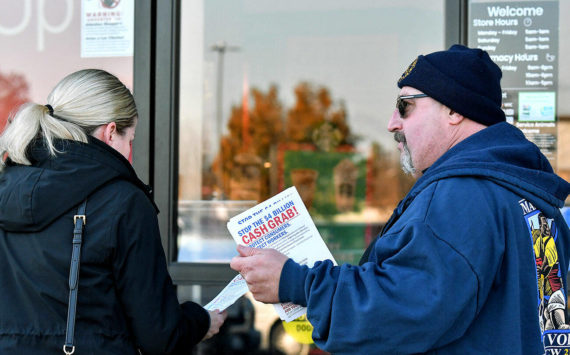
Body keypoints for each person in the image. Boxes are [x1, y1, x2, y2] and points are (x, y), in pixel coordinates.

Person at [230, 45, 570, 354]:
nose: (392, 123)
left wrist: (295, 282)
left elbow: (399, 314)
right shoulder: (530, 196)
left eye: (404, 106)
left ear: (454, 109)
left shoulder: (461, 194)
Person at [0, 69, 226, 354]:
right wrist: (201, 321)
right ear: (109, 132)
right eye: (130, 140)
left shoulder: (5, 187)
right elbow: (159, 335)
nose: (130, 152)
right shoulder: (123, 201)